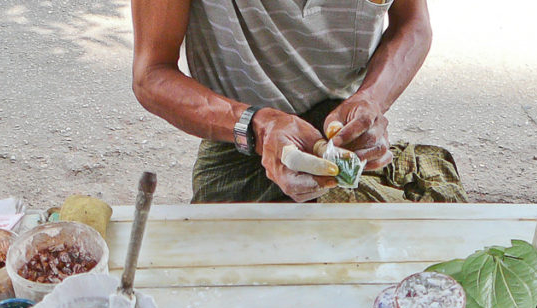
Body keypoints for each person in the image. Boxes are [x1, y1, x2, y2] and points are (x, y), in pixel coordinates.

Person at [131, 0, 466, 204]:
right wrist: (259, 128)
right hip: (237, 137)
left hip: (342, 130)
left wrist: (372, 98)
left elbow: (413, 22)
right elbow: (151, 74)